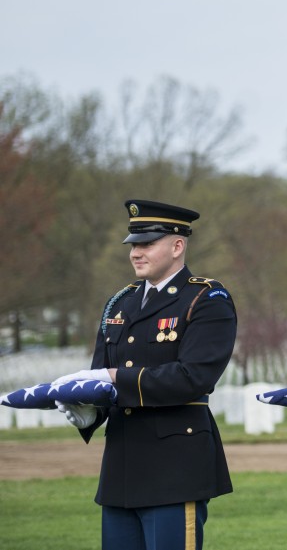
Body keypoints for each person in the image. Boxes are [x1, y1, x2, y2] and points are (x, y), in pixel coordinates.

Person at [53, 199, 237, 550]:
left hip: (174, 468)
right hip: (121, 470)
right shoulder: (119, 303)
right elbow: (99, 377)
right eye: (133, 244)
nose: (135, 253)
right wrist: (89, 413)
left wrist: (111, 378)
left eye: (146, 243)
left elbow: (192, 377)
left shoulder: (206, 298)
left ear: (178, 245)